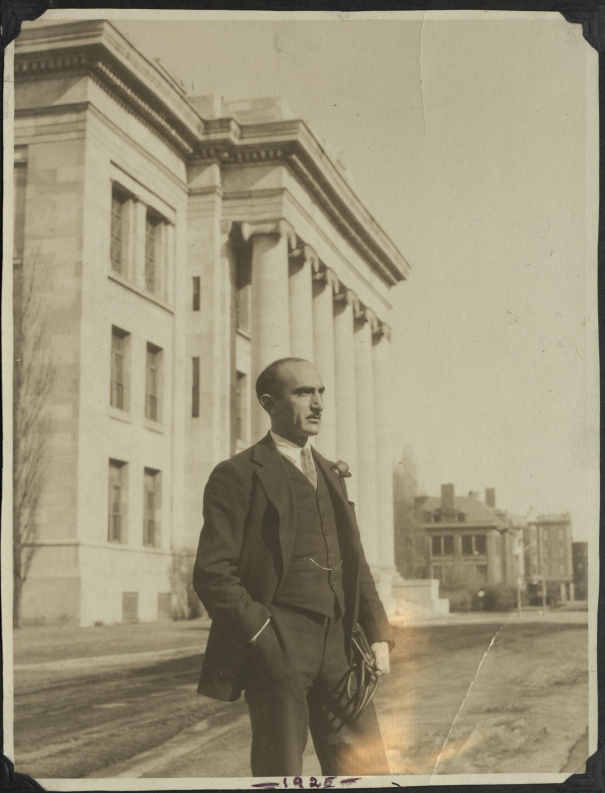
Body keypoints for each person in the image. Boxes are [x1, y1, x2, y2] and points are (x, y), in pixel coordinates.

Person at [193, 357, 394, 777]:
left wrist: (377, 635)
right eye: (303, 393)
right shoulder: (238, 474)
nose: (317, 403)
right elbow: (213, 573)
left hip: (341, 648)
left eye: (320, 392)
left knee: (368, 770)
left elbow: (354, 559)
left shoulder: (331, 473)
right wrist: (264, 635)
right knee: (280, 773)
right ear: (270, 403)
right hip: (279, 645)